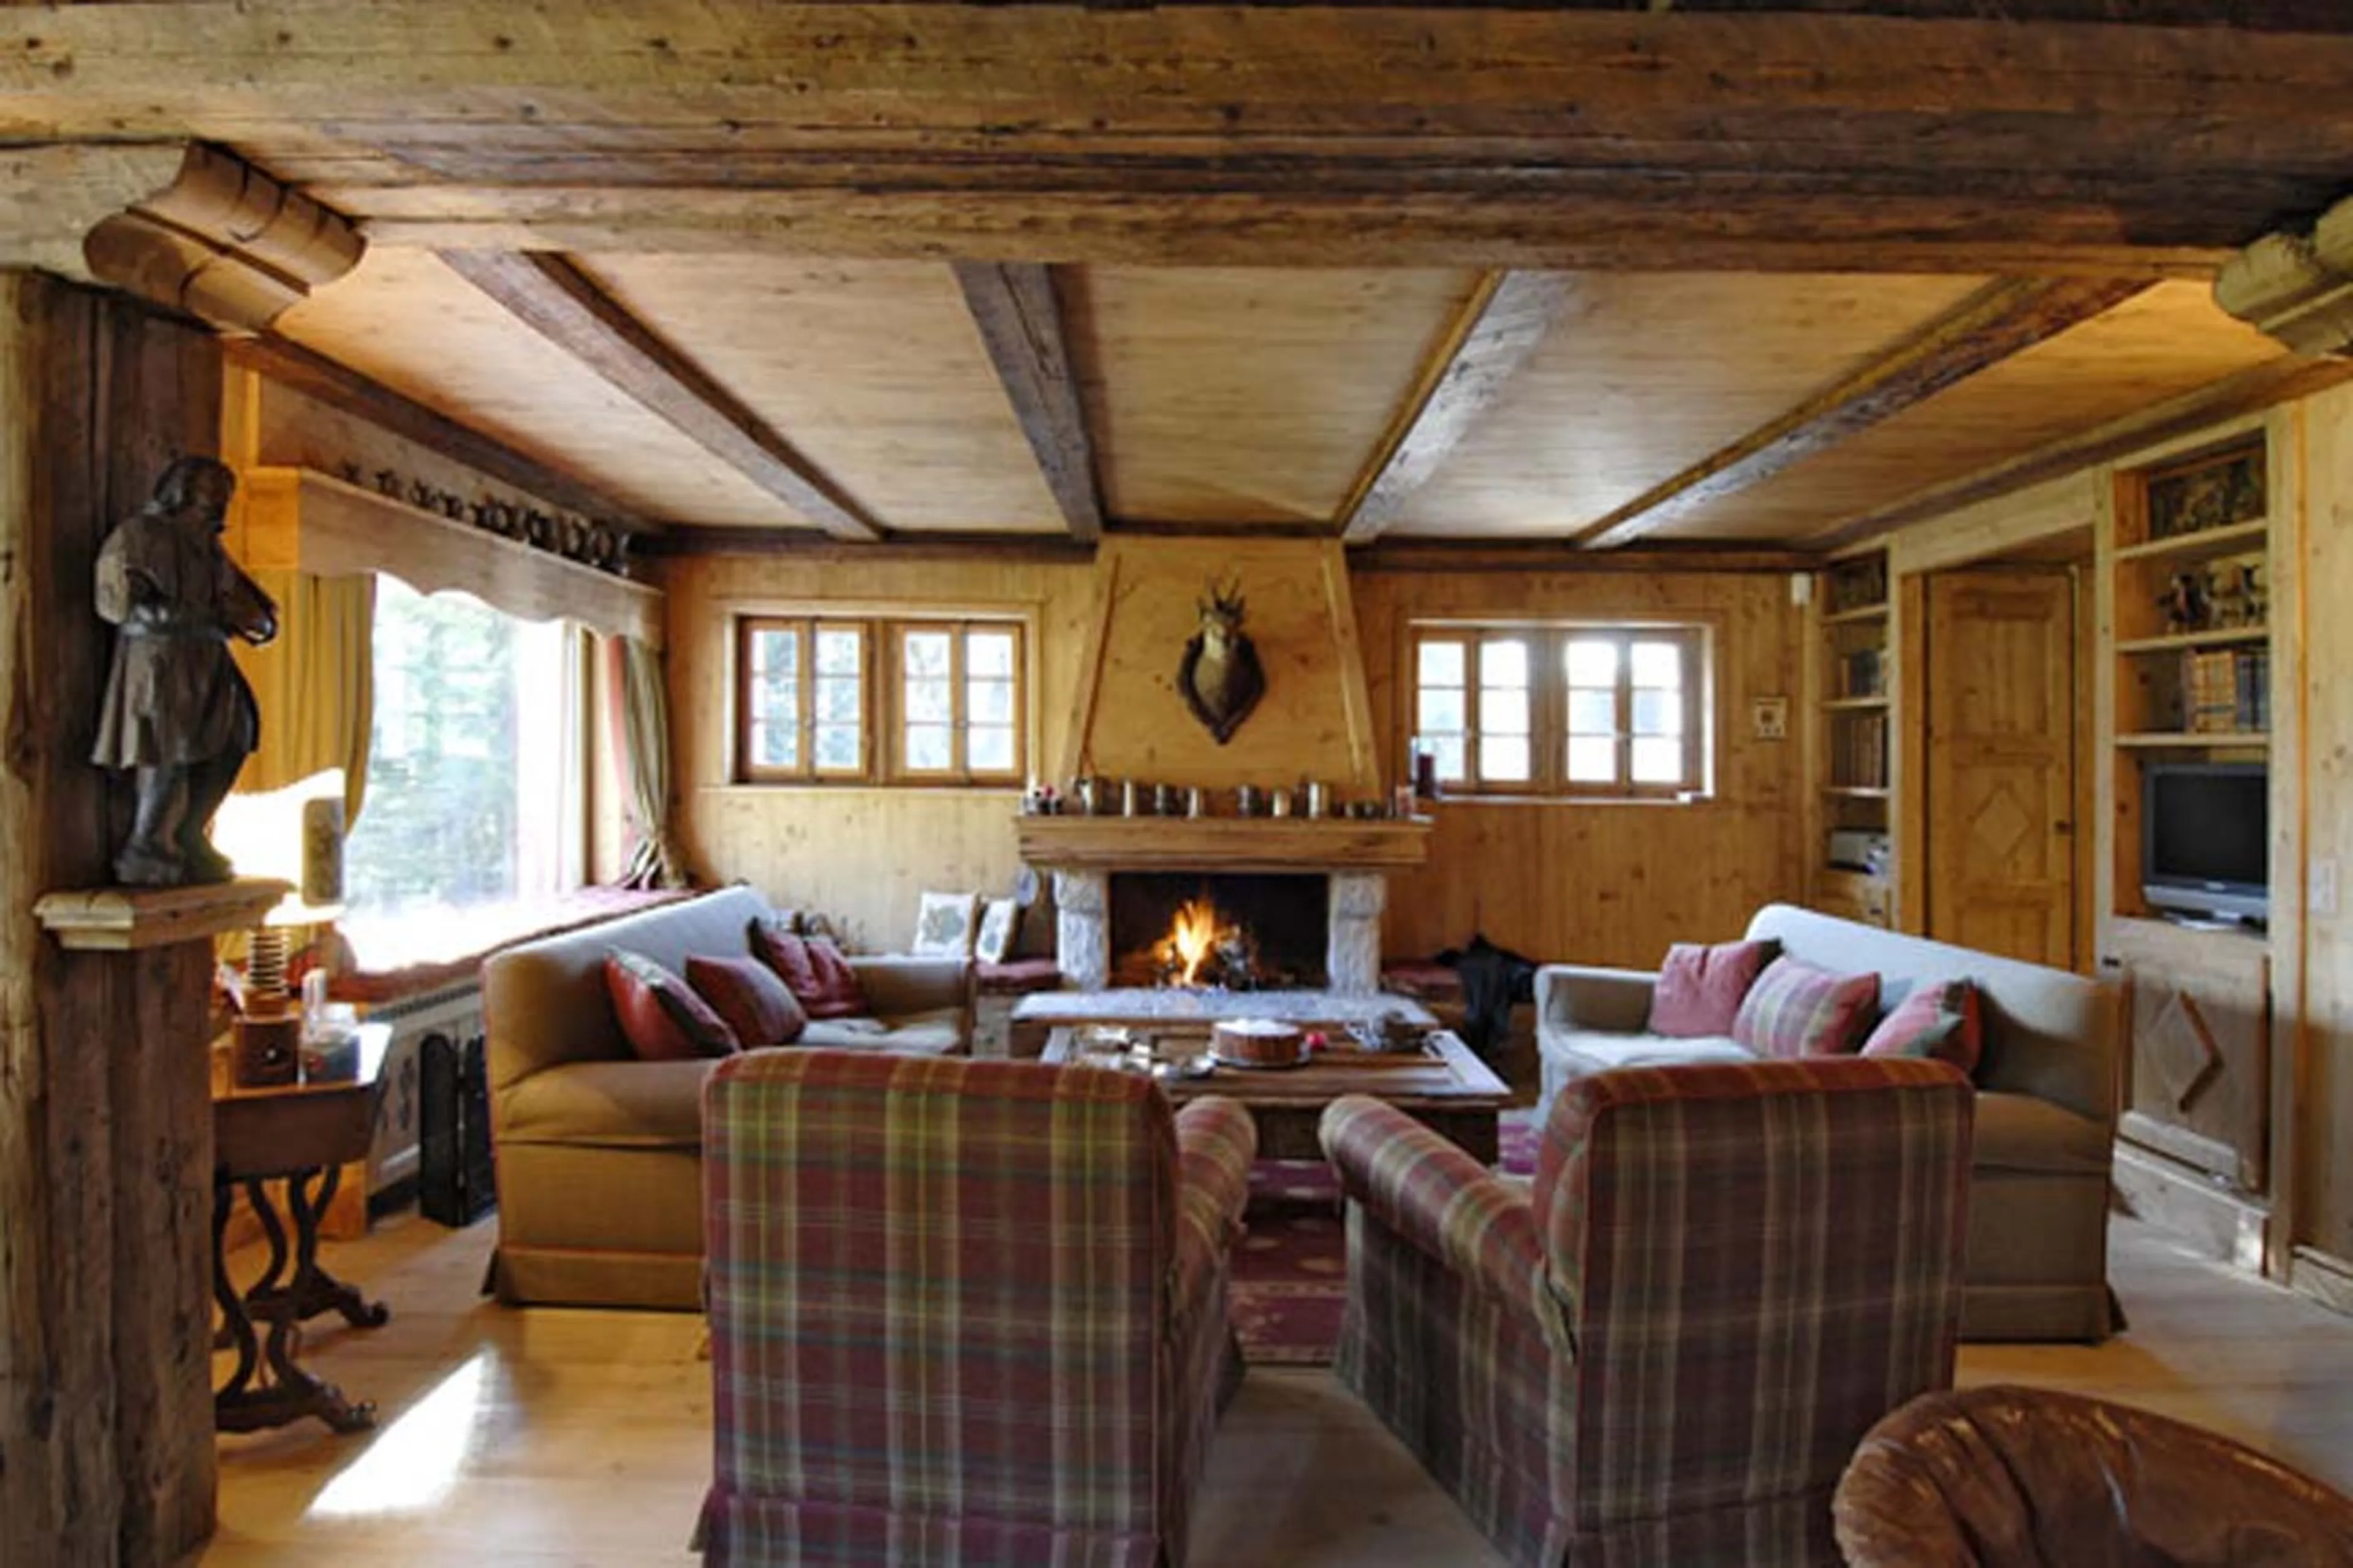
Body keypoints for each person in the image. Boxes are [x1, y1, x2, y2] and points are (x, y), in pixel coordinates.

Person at [90, 455, 279, 885]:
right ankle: (146, 842)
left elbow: (257, 611)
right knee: (166, 750)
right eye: (212, 490)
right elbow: (120, 605)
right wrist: (199, 615)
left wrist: (253, 621)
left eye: (225, 493)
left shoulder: (211, 551)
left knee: (236, 736)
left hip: (210, 660)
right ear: (183, 489)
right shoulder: (142, 536)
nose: (221, 500)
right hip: (162, 661)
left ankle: (191, 829)